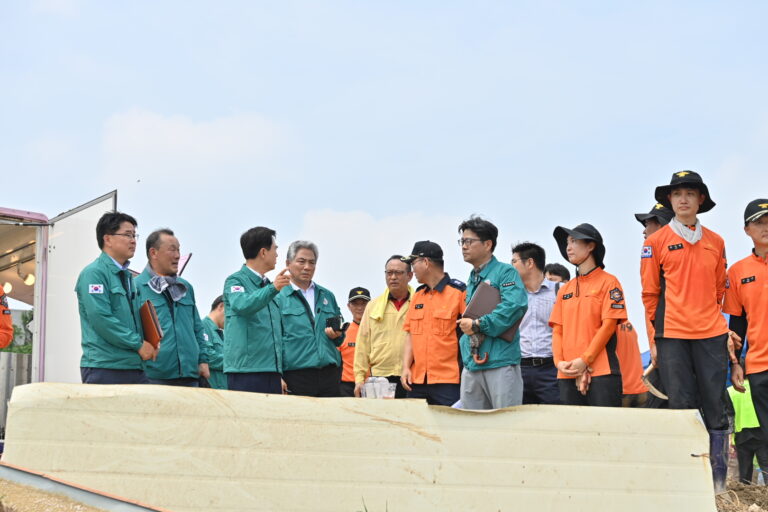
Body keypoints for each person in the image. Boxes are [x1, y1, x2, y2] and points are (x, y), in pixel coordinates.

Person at [640, 170, 730, 492]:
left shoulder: (716, 242)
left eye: (690, 194)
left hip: (711, 334)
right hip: (673, 335)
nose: (683, 200)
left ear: (700, 199)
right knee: (681, 406)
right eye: (677, 194)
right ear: (669, 200)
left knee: (715, 405)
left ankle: (718, 486)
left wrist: (713, 322)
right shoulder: (654, 243)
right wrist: (655, 339)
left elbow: (719, 289)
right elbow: (650, 294)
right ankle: (685, 484)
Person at [549, 223, 626, 407]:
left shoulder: (609, 282)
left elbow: (608, 326)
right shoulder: (564, 289)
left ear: (591, 246)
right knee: (571, 425)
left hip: (602, 371)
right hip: (566, 372)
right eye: (567, 242)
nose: (568, 247)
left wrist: (585, 360)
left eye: (574, 241)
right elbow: (557, 331)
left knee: (605, 424)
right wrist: (559, 363)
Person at [76, 211, 156, 384]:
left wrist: (153, 341)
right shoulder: (94, 273)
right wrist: (138, 344)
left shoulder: (128, 277)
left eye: (134, 235)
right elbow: (101, 318)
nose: (133, 241)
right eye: (127, 235)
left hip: (134, 365)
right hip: (106, 366)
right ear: (108, 239)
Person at [456, 216, 528, 410]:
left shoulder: (506, 272)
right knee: (472, 423)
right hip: (472, 363)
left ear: (488, 244)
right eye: (462, 241)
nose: (464, 246)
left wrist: (478, 324)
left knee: (505, 421)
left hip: (500, 361)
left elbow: (515, 306)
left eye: (468, 241)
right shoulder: (472, 277)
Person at [223, 226, 291, 394]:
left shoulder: (269, 286)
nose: (277, 254)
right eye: (275, 249)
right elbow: (242, 305)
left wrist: (279, 372)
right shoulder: (235, 281)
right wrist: (273, 288)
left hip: (272, 371)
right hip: (246, 372)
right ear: (263, 252)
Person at [136, 229, 208, 387]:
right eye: (172, 250)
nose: (177, 256)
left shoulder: (185, 287)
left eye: (178, 250)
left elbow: (197, 328)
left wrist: (203, 360)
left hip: (190, 375)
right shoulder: (137, 287)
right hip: (155, 376)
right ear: (153, 253)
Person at [276, 240, 345, 397]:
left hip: (330, 375)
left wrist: (337, 335)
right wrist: (276, 375)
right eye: (301, 261)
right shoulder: (278, 296)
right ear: (288, 263)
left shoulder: (327, 295)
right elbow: (272, 340)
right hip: (296, 375)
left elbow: (340, 338)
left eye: (312, 263)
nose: (307, 267)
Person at [401, 241, 465, 405]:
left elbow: (470, 334)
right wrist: (405, 368)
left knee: (450, 421)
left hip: (448, 381)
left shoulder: (459, 293)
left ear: (426, 262)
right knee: (413, 421)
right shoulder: (417, 296)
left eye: (413, 263)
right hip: (416, 380)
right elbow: (410, 334)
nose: (412, 270)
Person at [725, 199, 768, 444]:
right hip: (759, 365)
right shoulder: (737, 272)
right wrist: (735, 364)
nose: (766, 227)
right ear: (747, 230)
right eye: (759, 223)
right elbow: (737, 324)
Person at [353, 256, 414, 398]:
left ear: (410, 276)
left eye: (398, 273)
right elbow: (363, 344)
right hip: (380, 378)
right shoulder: (373, 306)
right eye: (389, 273)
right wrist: (359, 379)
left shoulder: (419, 303)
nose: (393, 277)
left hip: (412, 375)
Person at [633, 202, 674, 408]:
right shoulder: (651, 255)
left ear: (661, 225)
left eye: (648, 224)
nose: (644, 230)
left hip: (674, 343)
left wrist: (655, 343)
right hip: (664, 342)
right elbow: (651, 301)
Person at [510, 242, 560, 405]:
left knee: (555, 415)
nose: (511, 266)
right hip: (519, 368)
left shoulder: (560, 291)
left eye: (514, 261)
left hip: (551, 369)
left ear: (530, 262)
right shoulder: (511, 294)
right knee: (520, 416)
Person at [728, 377, 768, 485]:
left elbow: (729, 416)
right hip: (763, 432)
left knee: (744, 473)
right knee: (766, 468)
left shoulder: (730, 391)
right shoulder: (762, 388)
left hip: (742, 435)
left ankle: (745, 494)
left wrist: (730, 438)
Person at [338, 287, 371, 397]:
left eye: (364, 304)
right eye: (355, 304)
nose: (360, 308)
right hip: (346, 388)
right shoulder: (342, 332)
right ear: (349, 306)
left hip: (371, 386)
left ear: (370, 305)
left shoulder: (377, 331)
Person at [202, 295, 227, 390]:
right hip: (212, 391)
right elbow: (208, 356)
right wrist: (235, 362)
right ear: (221, 306)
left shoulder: (220, 334)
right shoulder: (202, 326)